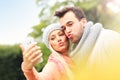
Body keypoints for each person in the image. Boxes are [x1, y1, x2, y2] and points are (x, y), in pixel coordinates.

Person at [54, 6, 120, 80]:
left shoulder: (109, 39)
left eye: (70, 24)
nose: (67, 31)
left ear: (83, 22)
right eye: (64, 28)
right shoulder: (75, 57)